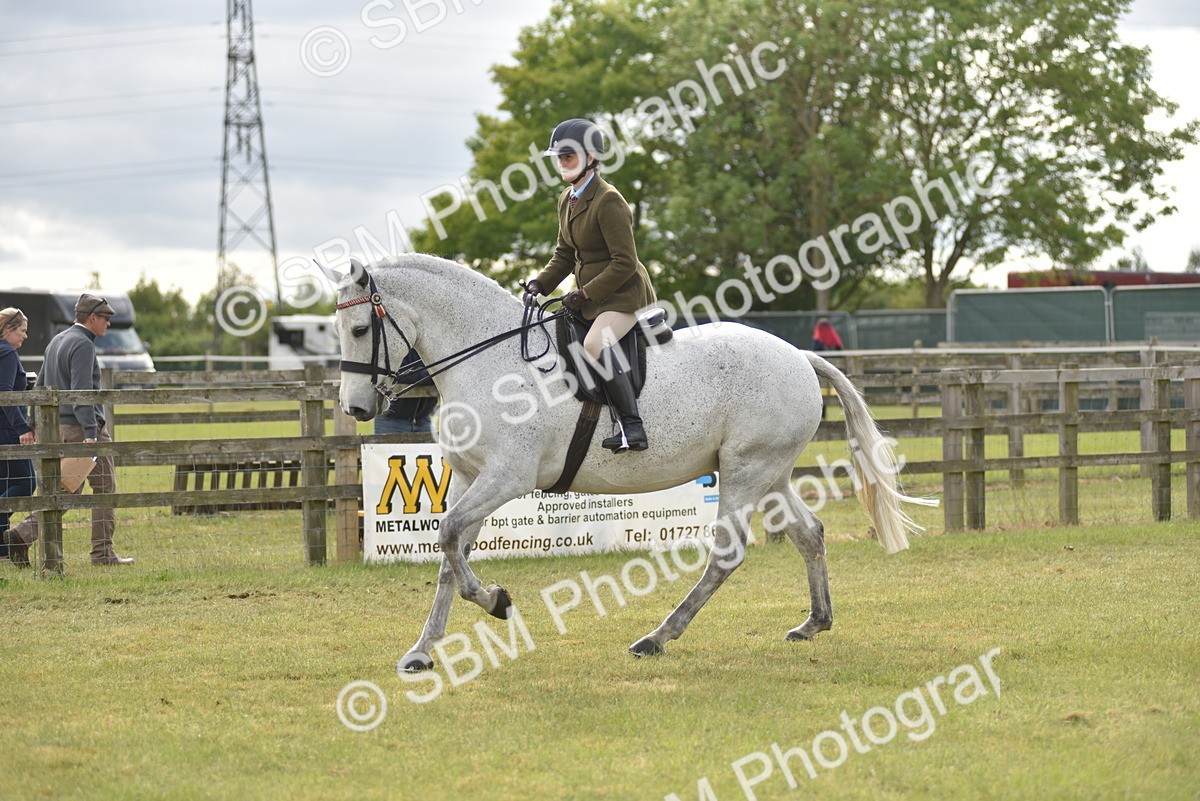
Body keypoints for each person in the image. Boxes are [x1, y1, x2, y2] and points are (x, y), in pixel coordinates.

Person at [523, 118, 657, 453]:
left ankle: (632, 427)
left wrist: (585, 293)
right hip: (591, 297)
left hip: (623, 295)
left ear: (590, 157)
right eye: (559, 157)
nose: (562, 162)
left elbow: (625, 262)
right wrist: (540, 284)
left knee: (595, 343)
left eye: (568, 155)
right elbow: (565, 254)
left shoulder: (609, 200)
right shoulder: (566, 198)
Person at [4, 294, 133, 567]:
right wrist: (90, 432)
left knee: (66, 490)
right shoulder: (83, 344)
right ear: (93, 317)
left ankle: (21, 535)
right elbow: (81, 392)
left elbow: (40, 387)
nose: (108, 323)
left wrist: (33, 422)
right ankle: (103, 554)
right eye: (106, 318)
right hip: (82, 429)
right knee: (105, 488)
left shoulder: (57, 340)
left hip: (56, 428)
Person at [0, 308, 36, 562]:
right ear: (9, 329)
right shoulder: (8, 353)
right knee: (26, 482)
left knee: (4, 485)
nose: (25, 336)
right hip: (9, 430)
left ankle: (2, 551)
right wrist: (22, 427)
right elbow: (5, 393)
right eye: (22, 330)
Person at [374, 350, 437, 435]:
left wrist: (431, 373)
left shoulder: (428, 347)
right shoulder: (393, 347)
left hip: (423, 420)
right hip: (392, 421)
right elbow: (398, 375)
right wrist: (431, 374)